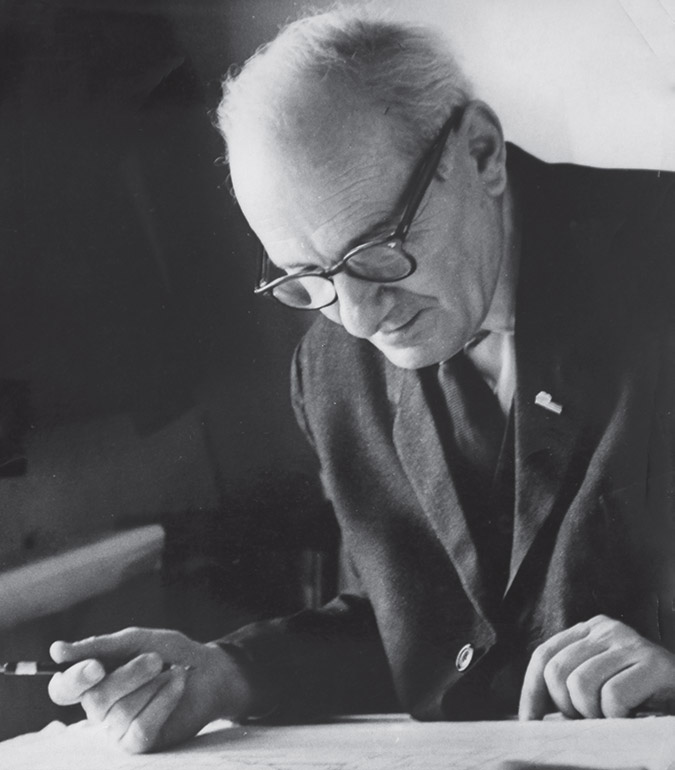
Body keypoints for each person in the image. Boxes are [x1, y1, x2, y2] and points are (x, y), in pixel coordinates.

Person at [48, 6, 675, 754]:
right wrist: (228, 674)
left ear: (481, 154)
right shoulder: (330, 371)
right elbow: (421, 623)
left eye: (377, 248)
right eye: (305, 277)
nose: (356, 316)